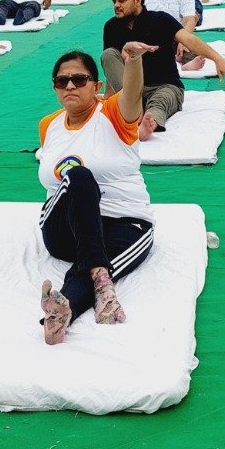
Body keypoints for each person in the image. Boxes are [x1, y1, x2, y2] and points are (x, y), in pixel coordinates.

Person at [35, 47, 156, 344]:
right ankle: (101, 274)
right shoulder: (48, 125)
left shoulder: (113, 113)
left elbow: (131, 94)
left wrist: (134, 61)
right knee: (76, 175)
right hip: (64, 231)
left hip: (123, 222)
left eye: (79, 79)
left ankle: (63, 312)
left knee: (87, 265)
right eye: (62, 82)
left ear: (96, 86)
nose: (70, 86)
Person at [102, 0, 225, 140]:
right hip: (131, 90)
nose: (116, 5)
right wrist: (107, 99)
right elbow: (112, 68)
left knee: (160, 102)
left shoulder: (160, 20)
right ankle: (131, 108)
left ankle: (148, 123)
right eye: (114, 1)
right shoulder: (111, 27)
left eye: (122, 0)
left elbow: (189, 40)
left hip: (164, 86)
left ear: (138, 0)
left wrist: (218, 59)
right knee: (108, 54)